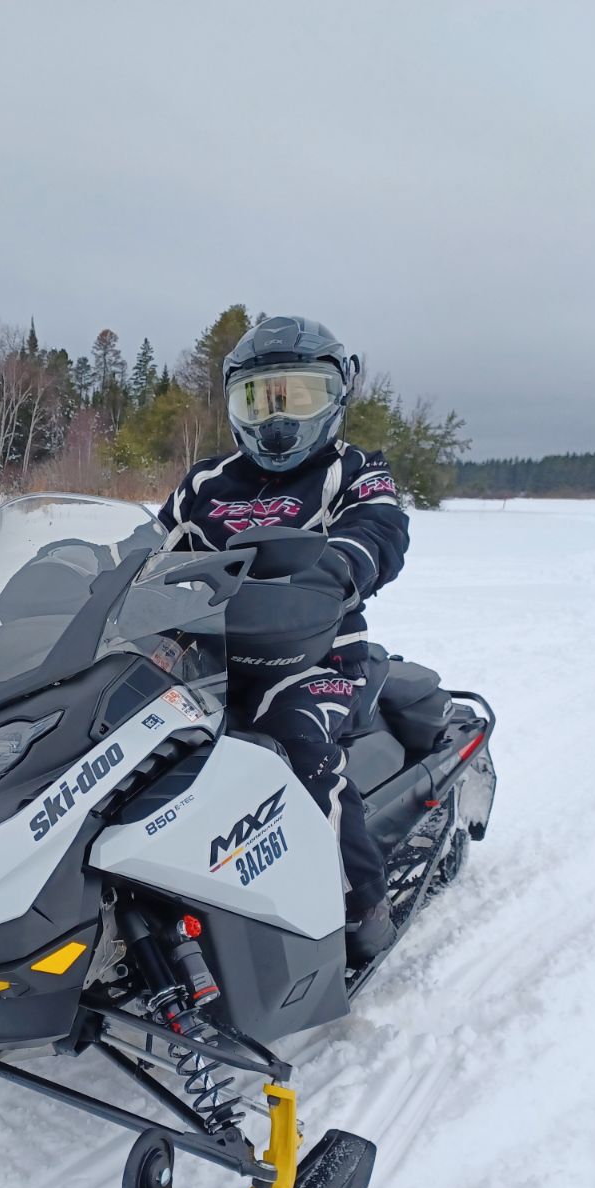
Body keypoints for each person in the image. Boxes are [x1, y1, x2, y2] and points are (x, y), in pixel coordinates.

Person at [157, 315, 409, 965]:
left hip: (315, 655)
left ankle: (358, 902)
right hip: (201, 655)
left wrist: (340, 564)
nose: (277, 417)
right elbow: (145, 550)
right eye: (258, 398)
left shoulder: (354, 471)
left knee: (293, 743)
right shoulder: (205, 483)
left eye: (299, 396)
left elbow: (379, 530)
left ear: (336, 396)